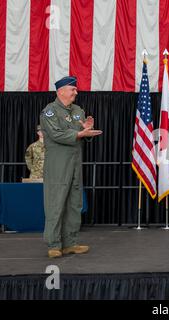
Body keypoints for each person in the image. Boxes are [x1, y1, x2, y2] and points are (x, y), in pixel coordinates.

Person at [40, 76, 102, 258]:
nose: (76, 92)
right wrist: (79, 133)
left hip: (75, 163)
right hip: (58, 165)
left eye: (75, 89)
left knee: (74, 203)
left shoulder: (78, 111)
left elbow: (82, 135)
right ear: (60, 92)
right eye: (72, 89)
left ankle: (70, 242)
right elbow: (56, 134)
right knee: (56, 203)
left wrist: (87, 130)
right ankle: (54, 244)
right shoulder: (49, 112)